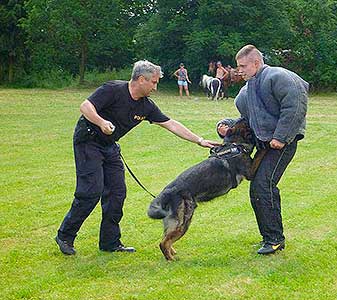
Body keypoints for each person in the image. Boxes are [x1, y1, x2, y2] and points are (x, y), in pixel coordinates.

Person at [55, 60, 219, 255]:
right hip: (88, 141)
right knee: (91, 191)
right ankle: (65, 235)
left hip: (110, 146)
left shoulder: (146, 106)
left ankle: (110, 242)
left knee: (117, 194)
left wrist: (199, 140)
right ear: (141, 79)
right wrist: (101, 122)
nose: (156, 87)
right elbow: (85, 106)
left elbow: (171, 124)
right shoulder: (113, 89)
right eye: (154, 82)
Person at [233, 45, 308, 255]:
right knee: (258, 188)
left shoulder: (279, 76)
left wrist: (281, 137)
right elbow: (248, 121)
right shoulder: (246, 91)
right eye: (238, 66)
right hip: (265, 145)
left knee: (263, 185)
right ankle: (269, 237)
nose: (240, 70)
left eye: (243, 66)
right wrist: (226, 125)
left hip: (282, 143)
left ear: (256, 63)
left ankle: (274, 239)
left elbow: (295, 107)